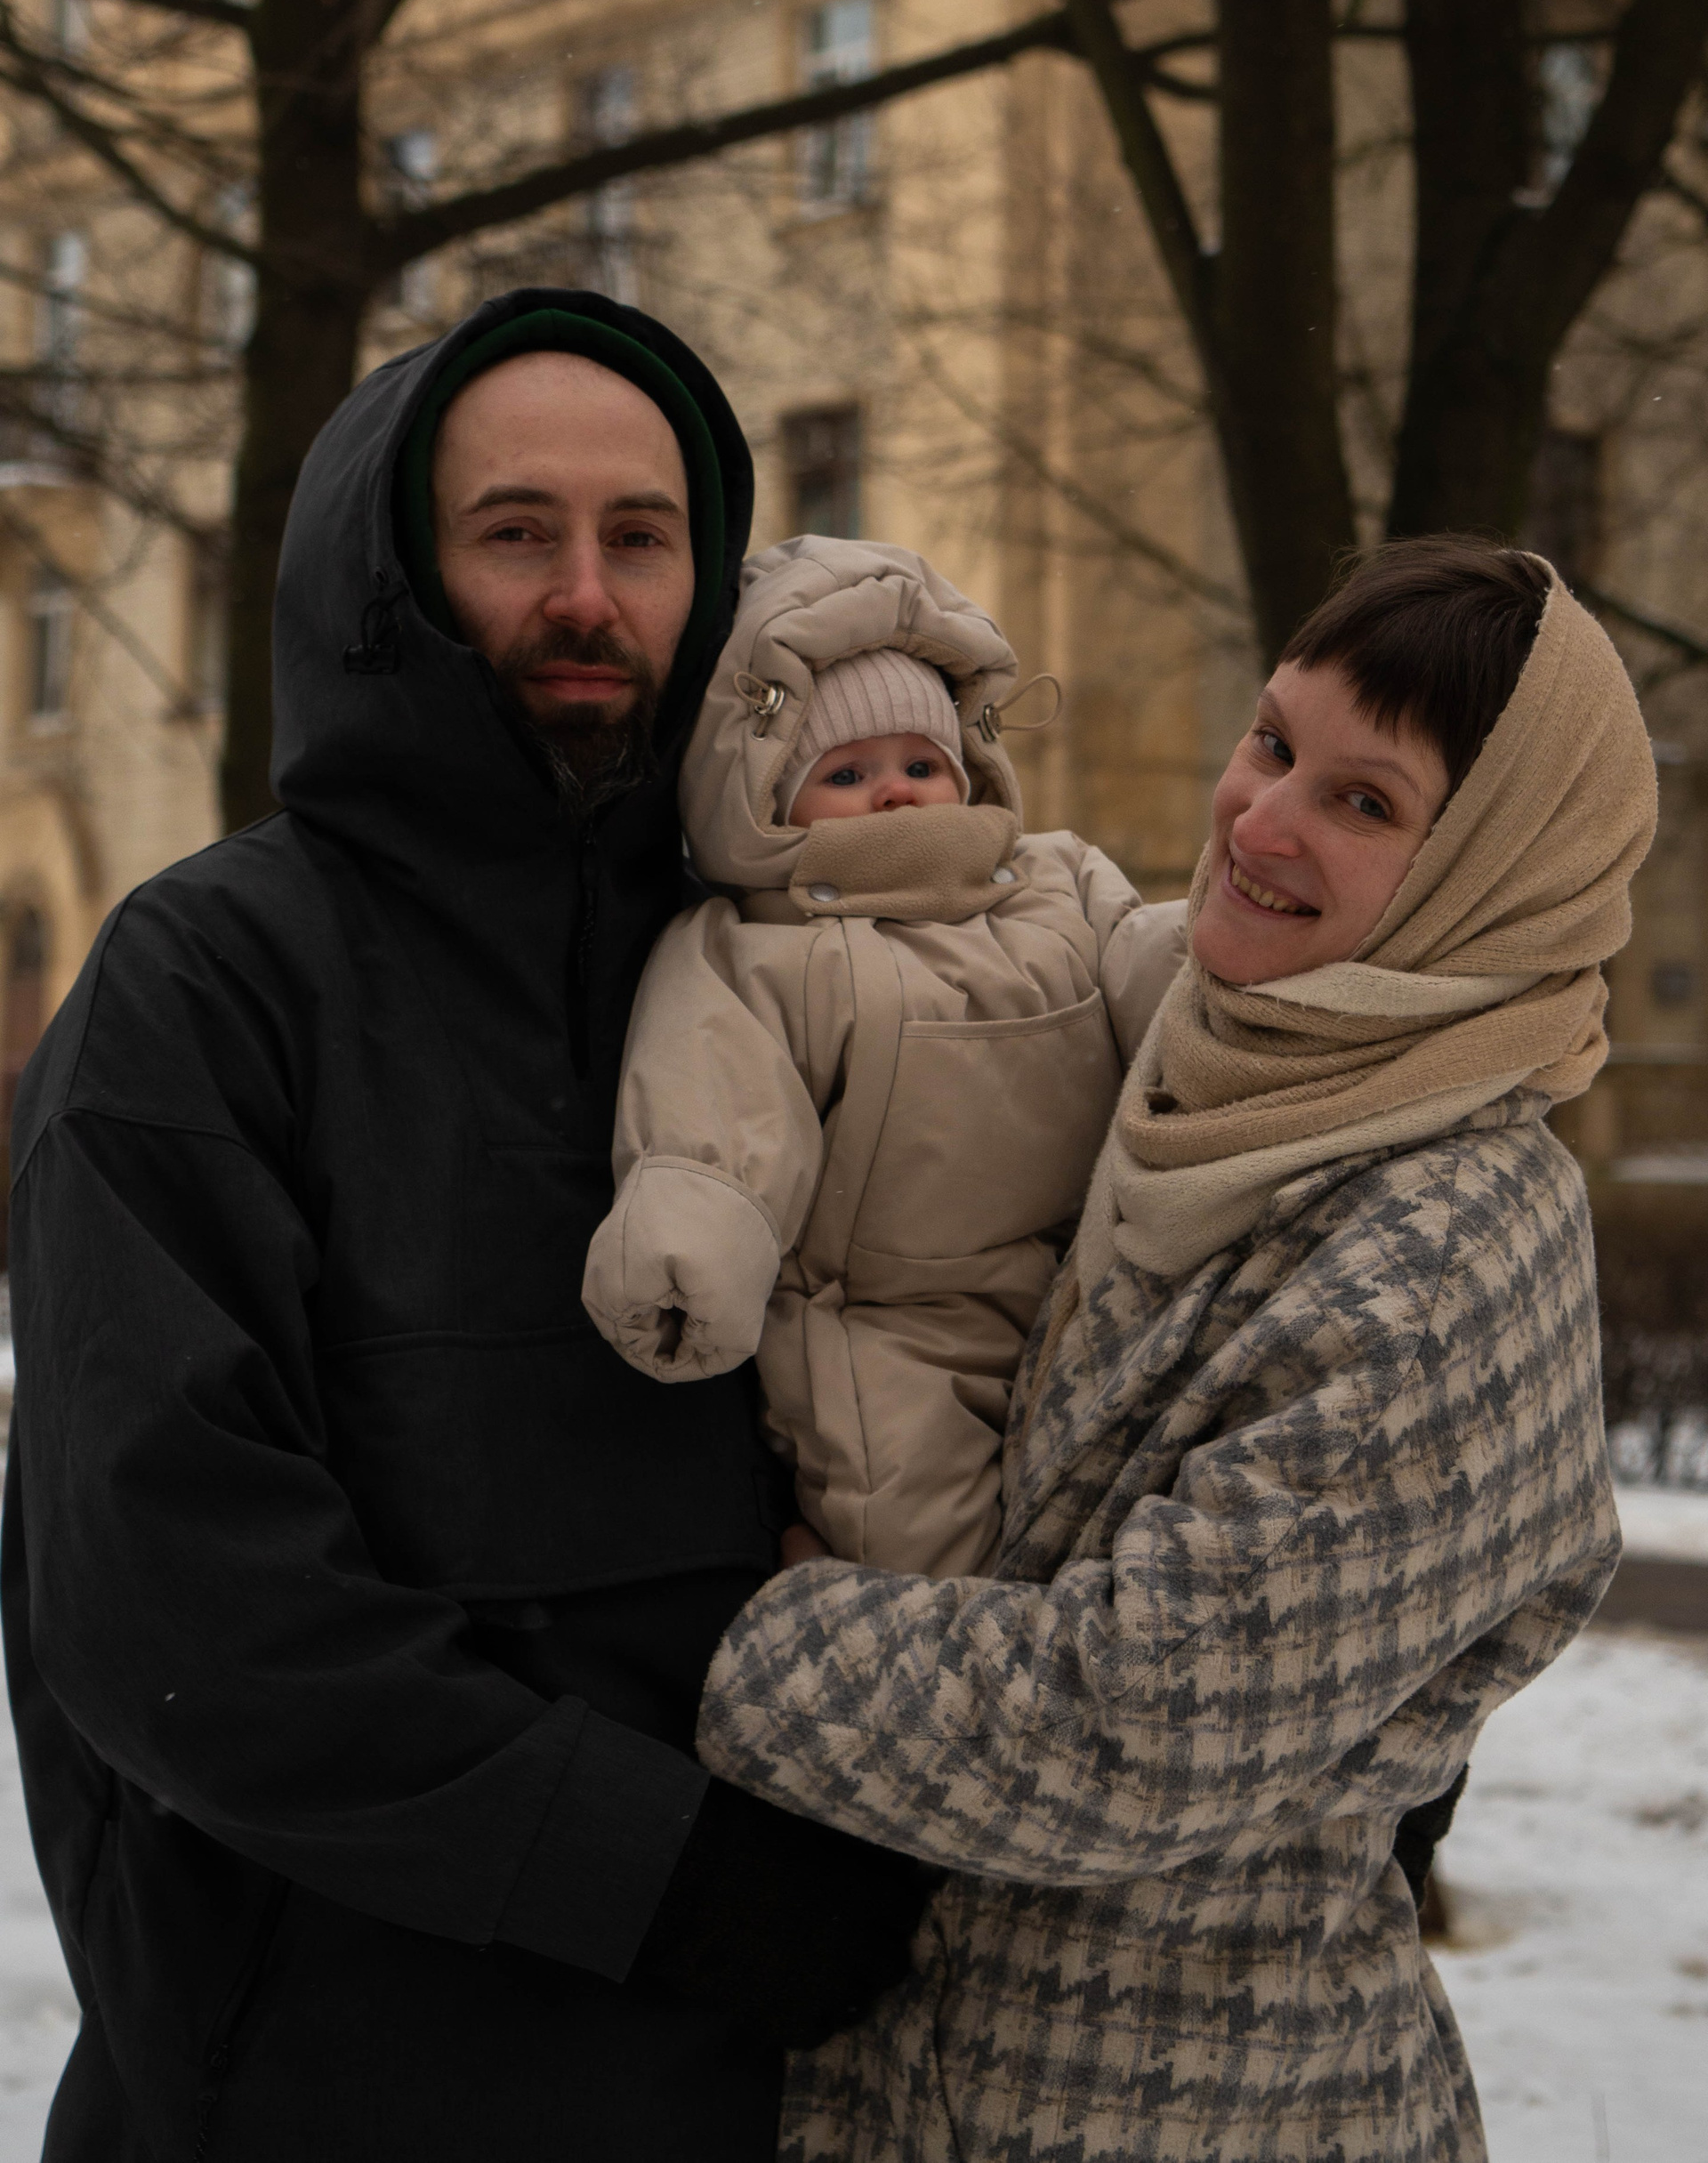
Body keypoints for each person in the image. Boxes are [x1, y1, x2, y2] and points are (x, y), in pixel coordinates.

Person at [1, 293, 925, 2163]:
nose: (586, 594)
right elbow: (177, 1602)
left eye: (642, 537)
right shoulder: (210, 985)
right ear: (391, 579)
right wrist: (657, 1871)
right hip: (309, 2099)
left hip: (761, 2102)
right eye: (516, 533)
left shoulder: (811, 977)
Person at [696, 540, 1657, 2163]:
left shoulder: (1456, 1246)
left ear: (1498, 876)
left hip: (1213, 2104)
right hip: (914, 2079)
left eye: (1366, 802)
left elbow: (1124, 1726)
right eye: (1273, 740)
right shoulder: (1188, 1063)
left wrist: (740, 1623)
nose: (1261, 820)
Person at [583, 536, 1187, 1578]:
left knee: (1125, 1499)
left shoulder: (1057, 880)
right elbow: (716, 1105)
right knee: (917, 1545)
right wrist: (691, 1247)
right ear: (766, 796)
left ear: (968, 765)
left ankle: (1101, 1644)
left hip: (1090, 1272)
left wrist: (1230, 961)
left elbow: (1148, 968)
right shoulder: (759, 948)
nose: (896, 793)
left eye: (920, 764)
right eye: (848, 772)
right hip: (889, 1325)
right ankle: (927, 1674)